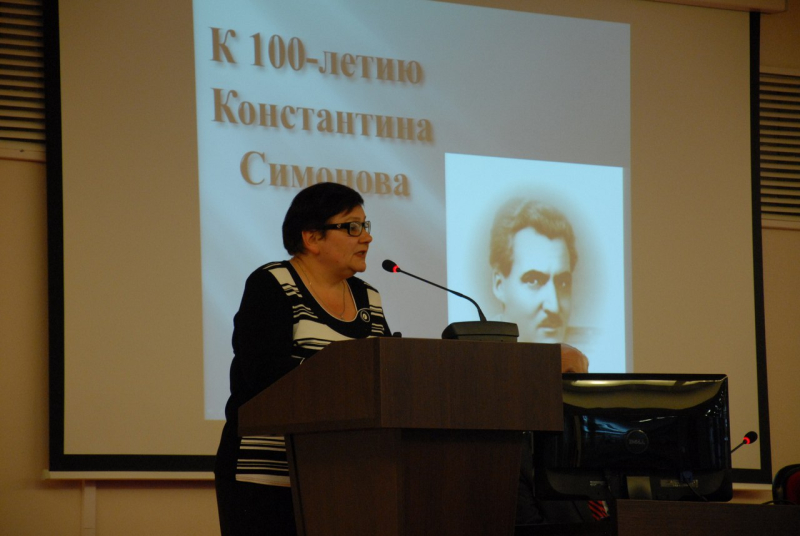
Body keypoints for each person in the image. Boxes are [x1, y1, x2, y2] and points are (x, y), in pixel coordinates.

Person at [214, 182, 392, 536]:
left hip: (342, 475)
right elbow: (262, 375)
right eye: (352, 227)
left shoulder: (368, 298)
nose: (366, 237)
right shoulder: (272, 284)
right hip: (266, 475)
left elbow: (384, 374)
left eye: (365, 226)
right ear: (311, 238)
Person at [489, 198, 578, 345]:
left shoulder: (584, 354)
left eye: (563, 283)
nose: (554, 307)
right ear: (499, 285)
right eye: (533, 281)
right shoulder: (474, 352)